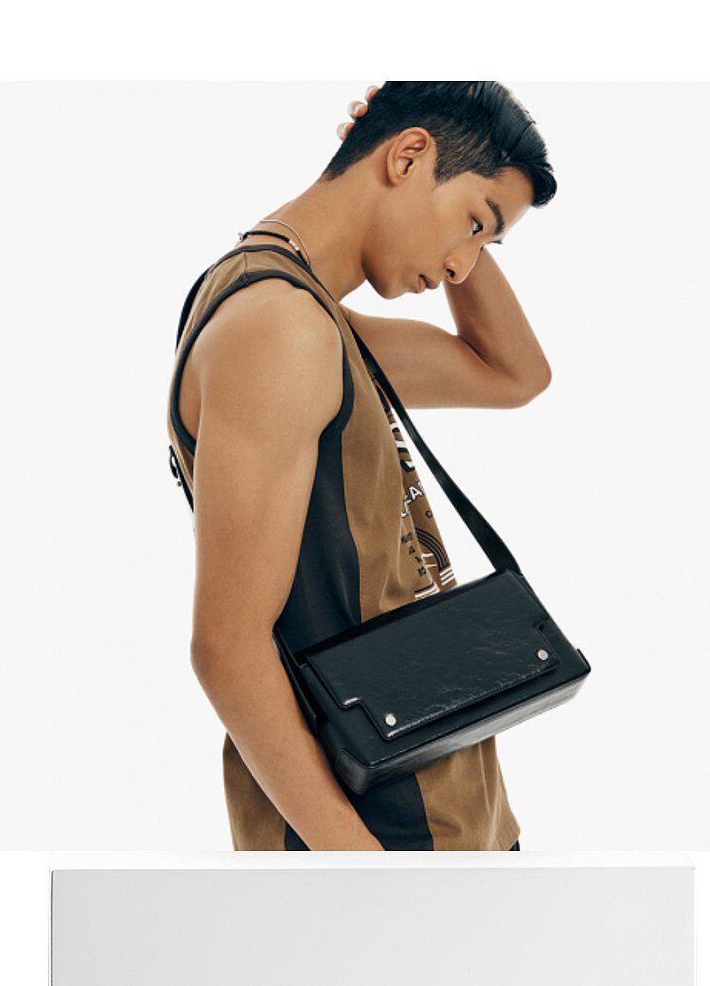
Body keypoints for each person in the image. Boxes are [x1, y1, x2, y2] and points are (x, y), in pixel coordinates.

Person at [166, 81, 556, 850]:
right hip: (381, 833)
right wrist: (364, 873)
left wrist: (414, 162)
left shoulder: (304, 315)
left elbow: (514, 374)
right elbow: (227, 647)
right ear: (408, 157)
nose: (461, 265)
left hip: (438, 813)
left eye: (485, 245)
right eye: (474, 223)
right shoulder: (278, 330)